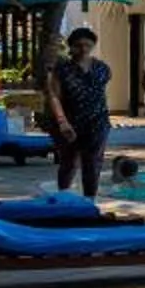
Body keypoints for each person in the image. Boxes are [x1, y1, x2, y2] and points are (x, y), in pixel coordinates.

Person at [45, 25, 113, 199]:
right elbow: (54, 97)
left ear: (92, 46)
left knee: (93, 164)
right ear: (71, 47)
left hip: (97, 122)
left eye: (87, 45)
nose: (83, 49)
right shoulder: (62, 69)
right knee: (68, 162)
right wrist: (62, 121)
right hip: (69, 122)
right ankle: (64, 199)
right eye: (78, 45)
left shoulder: (102, 68)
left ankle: (90, 202)